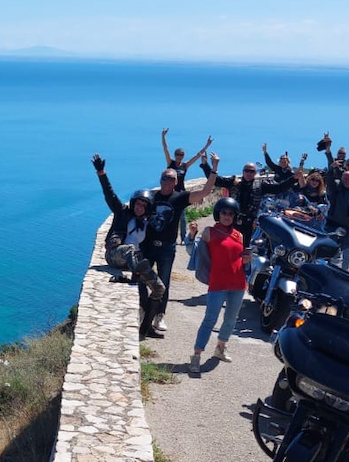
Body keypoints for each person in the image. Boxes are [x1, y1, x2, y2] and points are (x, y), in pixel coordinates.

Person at [105, 153, 219, 338]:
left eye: (171, 178)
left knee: (164, 282)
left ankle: (159, 316)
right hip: (148, 246)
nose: (167, 181)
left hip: (167, 248)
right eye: (164, 177)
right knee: (141, 278)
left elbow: (206, 191)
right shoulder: (152, 196)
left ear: (176, 181)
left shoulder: (180, 198)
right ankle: (143, 310)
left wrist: (213, 168)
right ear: (160, 179)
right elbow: (132, 211)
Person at [190, 197, 252, 376]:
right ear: (218, 213)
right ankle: (196, 355)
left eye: (231, 213)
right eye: (224, 212)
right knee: (210, 319)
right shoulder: (209, 232)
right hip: (218, 283)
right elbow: (195, 253)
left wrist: (246, 260)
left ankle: (221, 347)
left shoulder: (239, 235)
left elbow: (240, 260)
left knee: (231, 319)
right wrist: (192, 235)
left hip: (238, 283)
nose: (227, 216)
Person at [92, 154, 167, 302]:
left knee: (156, 283)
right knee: (130, 249)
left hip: (133, 262)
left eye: (144, 206)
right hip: (115, 255)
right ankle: (137, 276)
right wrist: (102, 173)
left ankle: (155, 294)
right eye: (138, 204)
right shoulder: (122, 213)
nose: (140, 208)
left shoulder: (147, 224)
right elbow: (110, 195)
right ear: (133, 203)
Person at [200, 153, 297, 244]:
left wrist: (293, 179)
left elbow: (278, 188)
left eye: (252, 171)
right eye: (247, 170)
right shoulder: (234, 182)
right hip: (232, 220)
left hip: (249, 223)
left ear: (255, 173)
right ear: (243, 172)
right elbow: (216, 181)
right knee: (227, 243)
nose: (249, 173)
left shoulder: (260, 185)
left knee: (245, 248)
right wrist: (205, 165)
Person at [162, 129, 212, 243]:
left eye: (181, 155)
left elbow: (198, 155)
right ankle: (168, 237)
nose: (179, 156)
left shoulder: (185, 165)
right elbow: (166, 149)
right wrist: (163, 136)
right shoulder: (171, 163)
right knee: (169, 215)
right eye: (178, 154)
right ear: (175, 155)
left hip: (181, 193)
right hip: (170, 193)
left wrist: (207, 145)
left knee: (182, 217)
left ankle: (183, 238)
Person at [324, 169, 349, 269]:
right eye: (344, 178)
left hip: (348, 225)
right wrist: (331, 167)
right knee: (330, 246)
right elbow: (329, 180)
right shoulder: (336, 189)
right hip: (333, 223)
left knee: (346, 248)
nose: (346, 180)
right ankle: (327, 267)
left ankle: (345, 269)